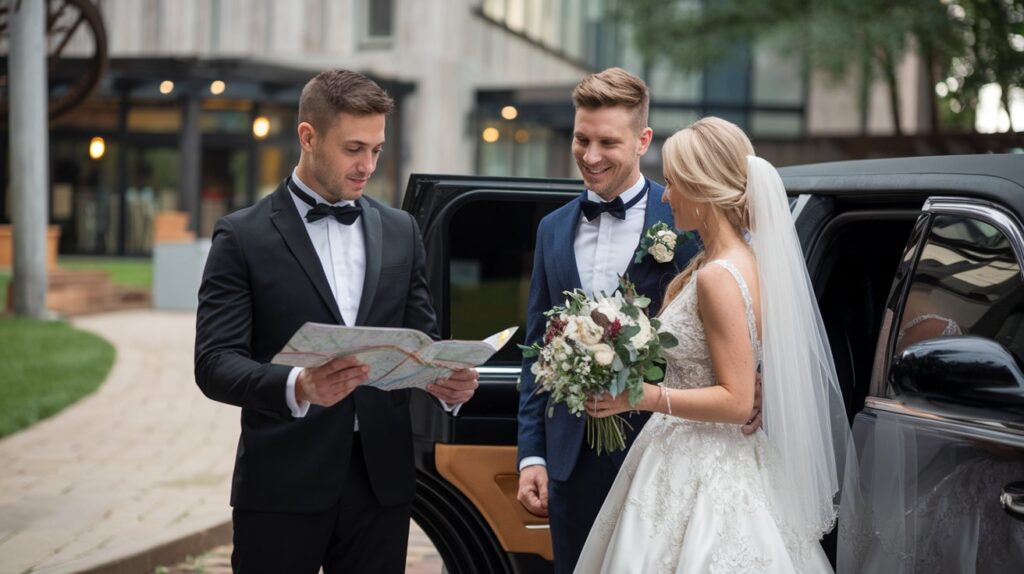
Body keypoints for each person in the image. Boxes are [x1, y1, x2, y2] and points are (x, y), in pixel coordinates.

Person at [194, 69, 479, 573]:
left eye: (376, 149)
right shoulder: (242, 236)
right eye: (354, 149)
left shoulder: (400, 230)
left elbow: (421, 340)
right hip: (282, 481)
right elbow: (214, 363)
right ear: (308, 136)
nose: (367, 164)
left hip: (380, 484)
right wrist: (298, 386)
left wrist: (443, 380)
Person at [573, 117, 853, 572]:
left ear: (703, 188)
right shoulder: (736, 261)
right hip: (722, 454)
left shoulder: (719, 278)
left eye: (673, 183)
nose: (665, 195)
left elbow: (738, 401)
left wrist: (641, 397)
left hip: (699, 463)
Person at [515, 67, 710, 574]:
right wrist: (532, 455)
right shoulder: (551, 229)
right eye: (582, 139)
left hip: (660, 453)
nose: (591, 155)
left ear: (643, 140)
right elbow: (538, 347)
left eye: (608, 142)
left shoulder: (684, 223)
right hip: (569, 463)